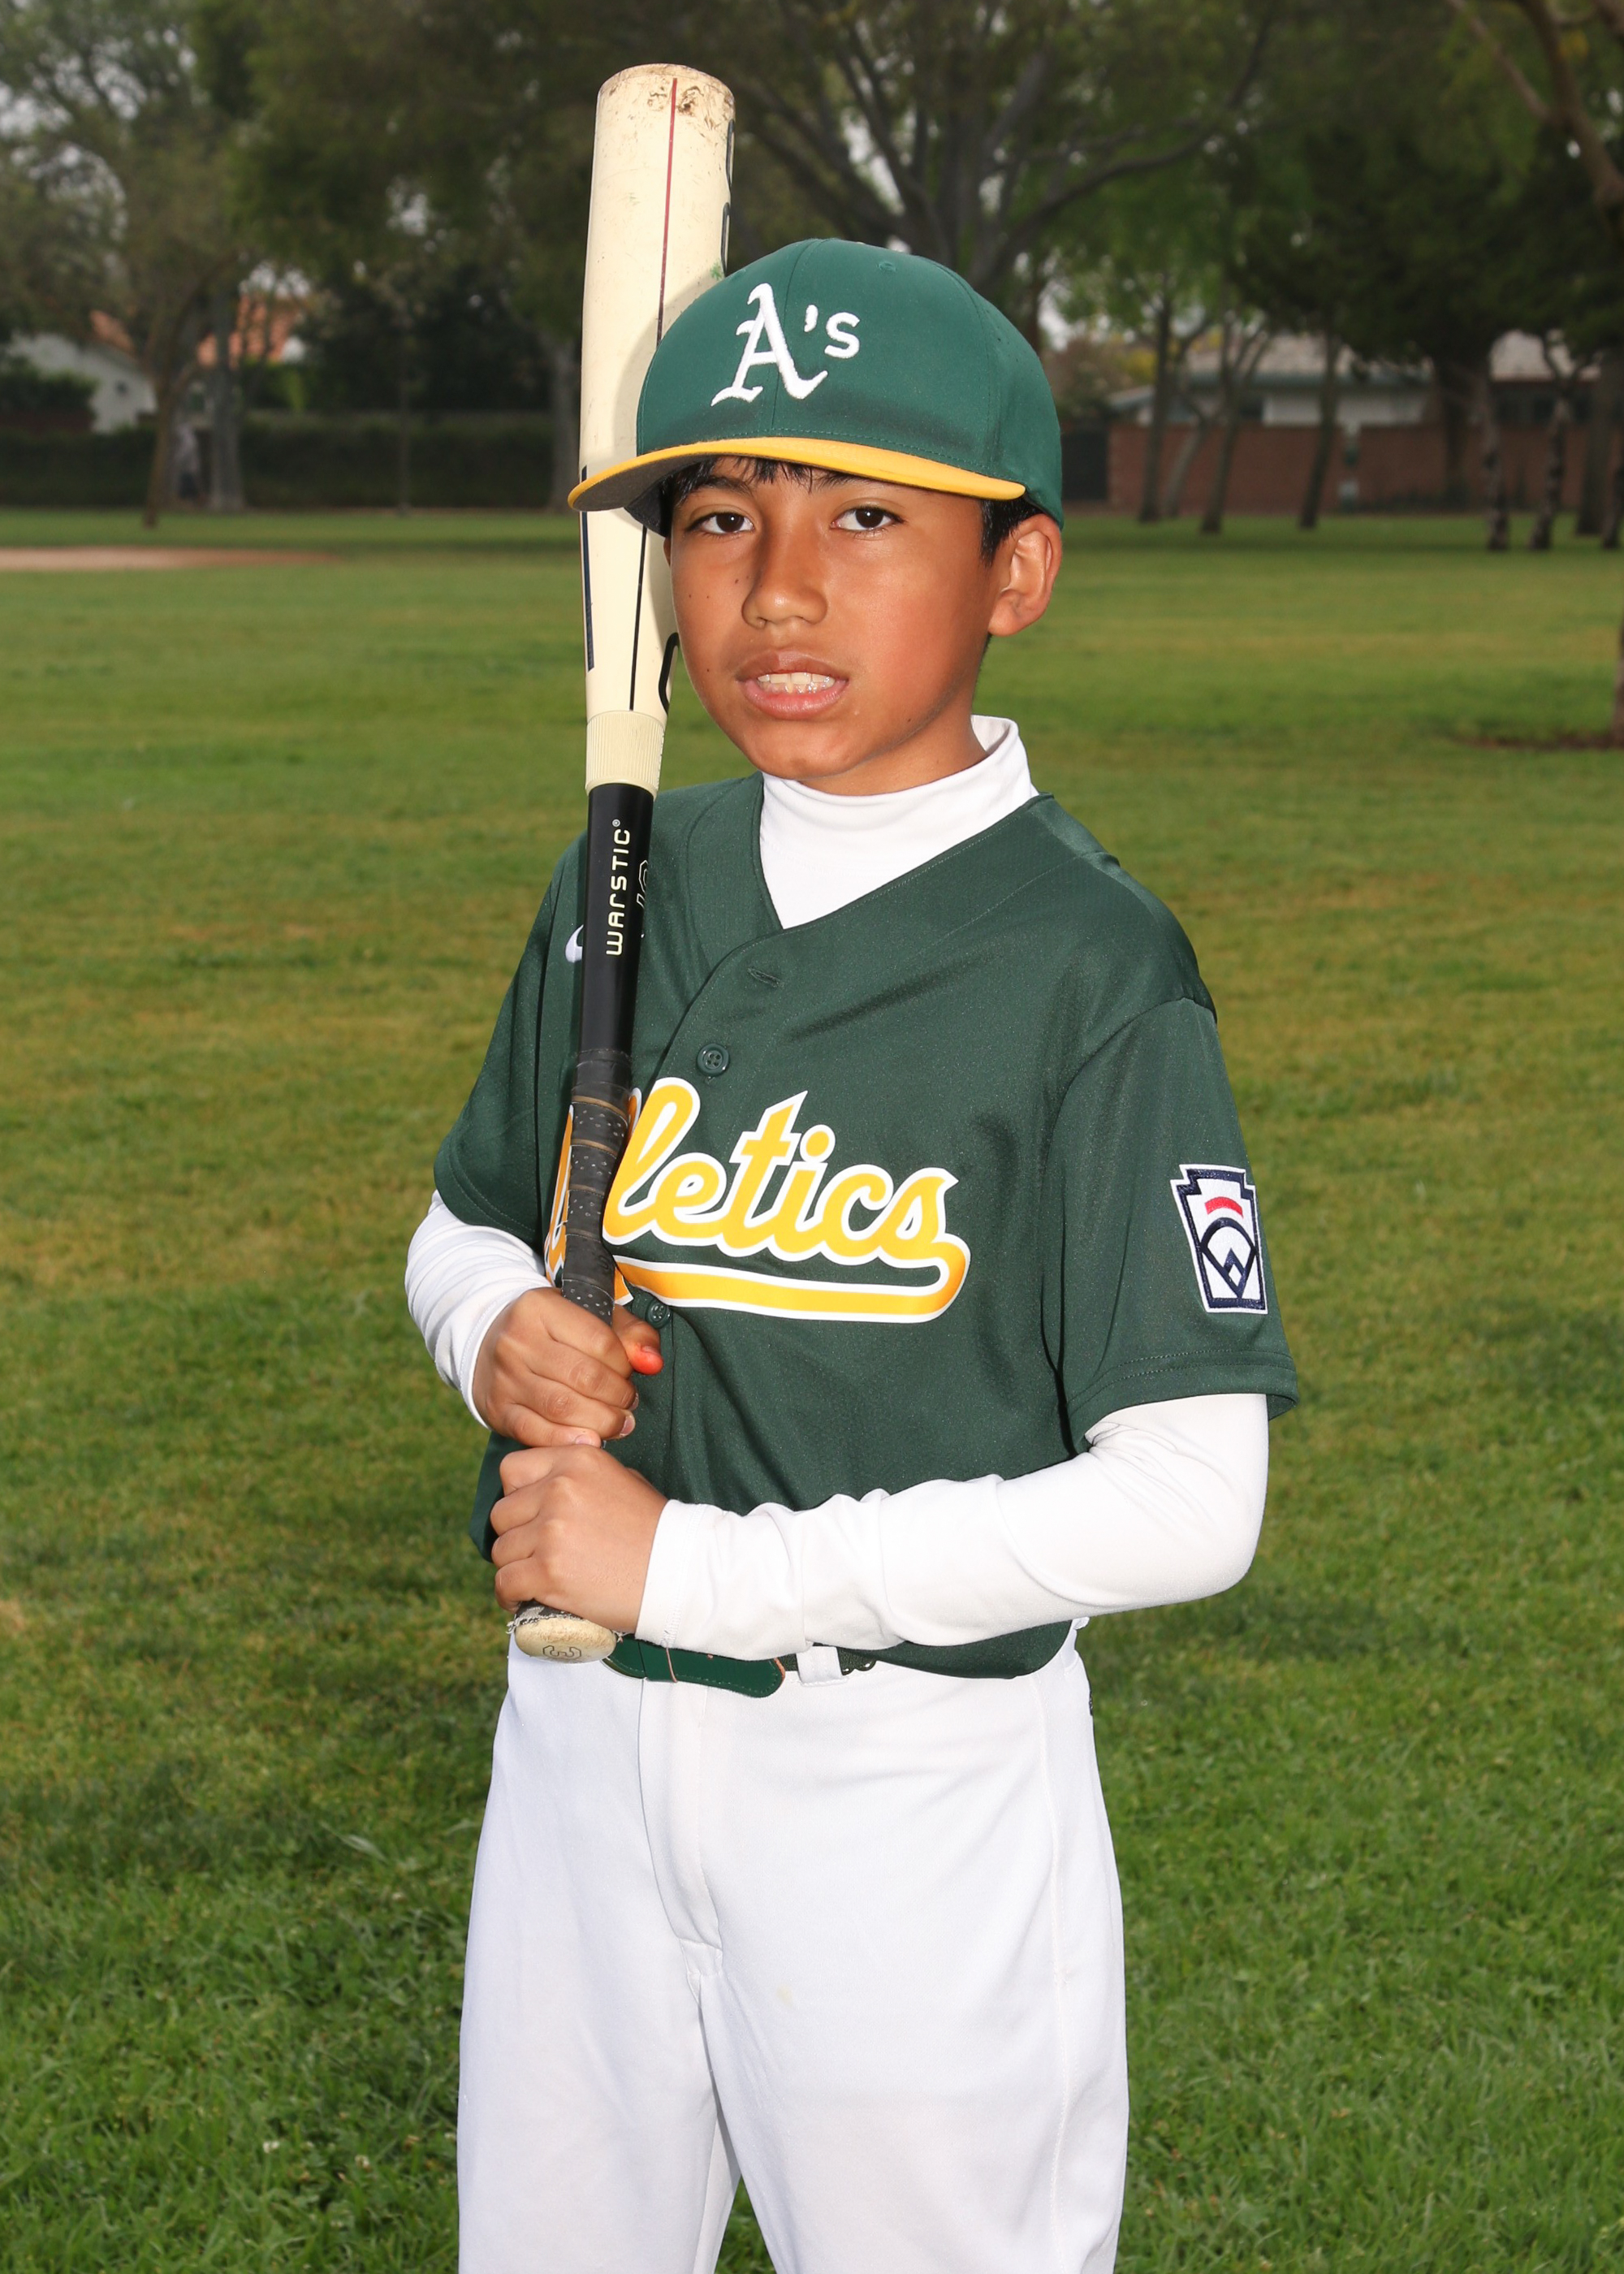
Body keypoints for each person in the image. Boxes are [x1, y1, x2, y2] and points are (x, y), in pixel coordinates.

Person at [406, 238, 1297, 2274]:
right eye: (720, 518)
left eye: (867, 518)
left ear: (1017, 573)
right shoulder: (635, 873)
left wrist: (699, 1571)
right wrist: (493, 1328)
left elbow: (1192, 1499)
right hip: (578, 1752)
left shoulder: (1090, 967)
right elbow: (465, 1219)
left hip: (903, 1778)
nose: (779, 589)